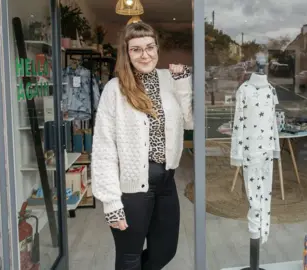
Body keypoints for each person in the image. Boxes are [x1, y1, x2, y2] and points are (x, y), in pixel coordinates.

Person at [91, 21, 193, 270]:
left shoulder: (170, 80)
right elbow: (104, 148)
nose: (145, 54)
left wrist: (182, 84)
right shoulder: (115, 90)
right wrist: (111, 203)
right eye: (136, 49)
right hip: (132, 187)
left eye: (150, 47)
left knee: (165, 251)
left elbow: (190, 121)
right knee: (129, 256)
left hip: (166, 182)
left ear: (157, 48)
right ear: (126, 53)